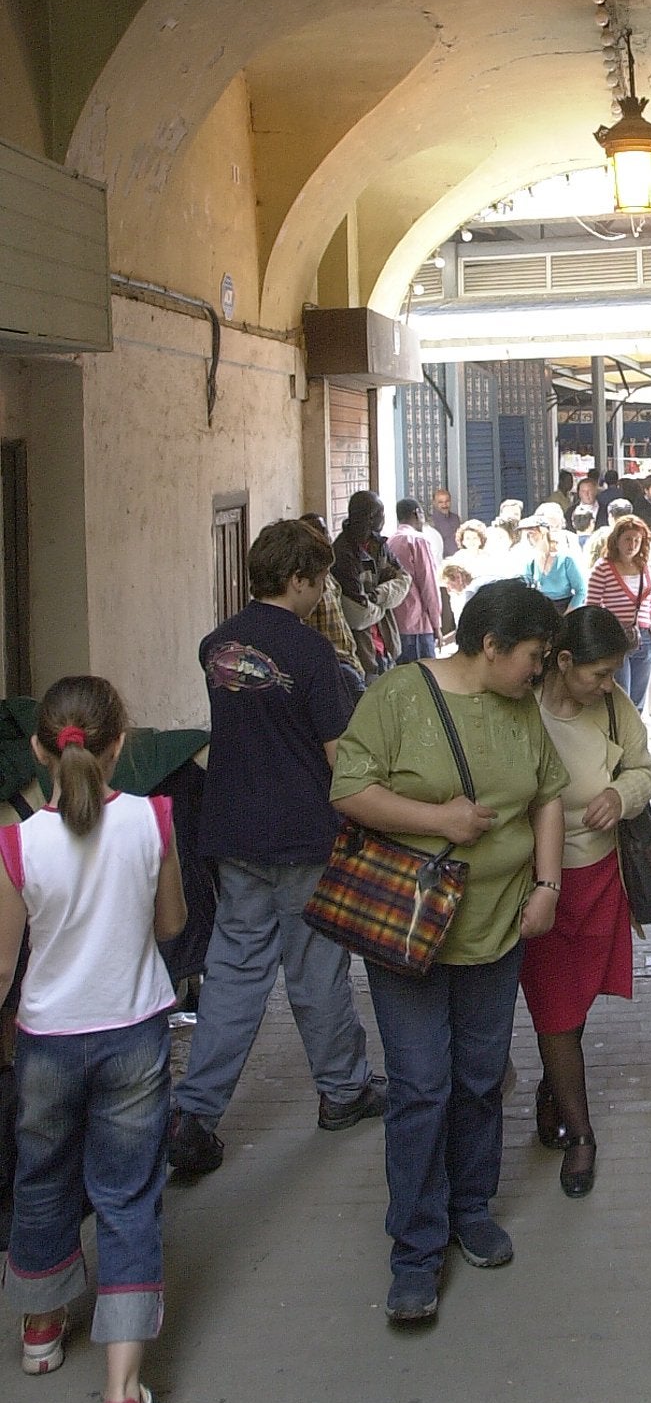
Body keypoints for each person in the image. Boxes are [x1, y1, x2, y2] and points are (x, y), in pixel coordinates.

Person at [329, 580, 568, 1323]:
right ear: (491, 646)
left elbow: (547, 795)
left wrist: (548, 884)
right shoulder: (398, 696)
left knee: (477, 1076)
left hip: (497, 926)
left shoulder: (520, 705)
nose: (540, 671)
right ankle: (416, 1248)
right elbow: (349, 790)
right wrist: (439, 818)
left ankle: (472, 1209)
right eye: (533, 656)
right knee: (421, 1083)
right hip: (412, 931)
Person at [0, 675, 187, 1403]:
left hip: (45, 1036)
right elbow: (172, 923)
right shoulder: (154, 819)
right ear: (121, 745)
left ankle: (42, 1330)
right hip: (135, 1032)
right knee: (128, 1195)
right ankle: (121, 1400)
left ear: (43, 748)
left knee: (39, 1178)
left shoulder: (15, 841)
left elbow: (4, 964)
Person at [167, 519, 384, 1177]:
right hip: (305, 834)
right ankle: (343, 1090)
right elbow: (338, 758)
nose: (322, 592)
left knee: (233, 973)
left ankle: (194, 1112)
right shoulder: (317, 657)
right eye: (319, 580)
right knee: (314, 969)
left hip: (234, 829)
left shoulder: (216, 647)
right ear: (299, 579)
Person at [521, 608, 651, 1198]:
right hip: (537, 887)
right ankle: (581, 1136)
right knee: (554, 1009)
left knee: (575, 1006)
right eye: (599, 673)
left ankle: (555, 1085)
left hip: (600, 878)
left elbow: (644, 769)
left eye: (614, 674)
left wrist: (620, 793)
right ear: (563, 661)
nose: (609, 685)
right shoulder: (519, 708)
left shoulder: (610, 708)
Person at [333, 490, 411, 679]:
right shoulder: (343, 553)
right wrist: (384, 605)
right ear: (370, 518)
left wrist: (378, 596)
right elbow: (357, 615)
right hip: (362, 655)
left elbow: (404, 580)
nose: (384, 518)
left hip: (387, 647)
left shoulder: (379, 545)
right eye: (381, 514)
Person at [587, 515, 651, 710]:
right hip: (615, 637)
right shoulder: (602, 569)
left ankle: (636, 734)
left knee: (639, 695)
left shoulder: (646, 566)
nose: (632, 545)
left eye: (637, 540)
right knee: (621, 693)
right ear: (616, 540)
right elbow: (591, 606)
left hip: (644, 635)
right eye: (628, 539)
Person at [300, 511, 368, 699]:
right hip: (331, 667)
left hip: (348, 661)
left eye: (325, 531)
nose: (325, 538)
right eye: (317, 533)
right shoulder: (304, 582)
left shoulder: (327, 574)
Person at [388, 498, 446, 662]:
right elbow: (428, 585)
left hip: (396, 623)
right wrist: (436, 624)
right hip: (417, 625)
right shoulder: (418, 540)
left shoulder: (390, 541)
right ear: (417, 513)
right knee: (424, 679)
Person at [520, 514, 586, 612]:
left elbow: (581, 591)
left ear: (543, 532)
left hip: (564, 609)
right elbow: (525, 590)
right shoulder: (530, 563)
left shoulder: (566, 559)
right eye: (526, 535)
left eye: (531, 533)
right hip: (542, 612)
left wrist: (568, 614)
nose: (529, 538)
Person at [427, 487, 460, 557]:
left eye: (447, 501)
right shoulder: (431, 522)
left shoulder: (456, 518)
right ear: (434, 503)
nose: (444, 505)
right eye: (440, 502)